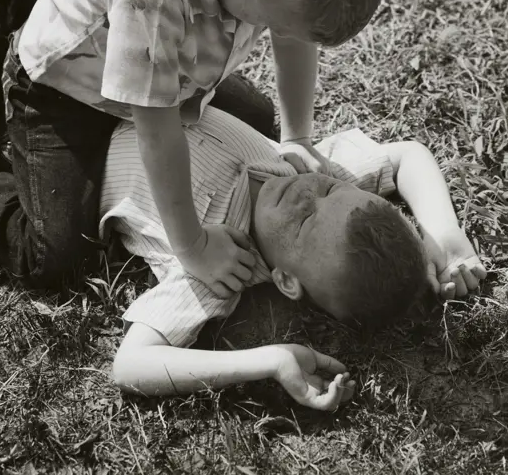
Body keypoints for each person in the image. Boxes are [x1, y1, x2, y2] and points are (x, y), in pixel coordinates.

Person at [0, 0, 390, 294]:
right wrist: (193, 246)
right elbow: (158, 134)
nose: (272, 31)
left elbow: (293, 37)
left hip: (165, 67)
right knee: (55, 257)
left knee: (258, 116)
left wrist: (299, 136)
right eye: (271, 24)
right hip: (62, 90)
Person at [104, 105, 487, 412]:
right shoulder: (318, 183)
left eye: (304, 221)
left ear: (286, 280)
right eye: (330, 186)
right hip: (170, 95)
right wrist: (443, 234)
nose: (305, 190)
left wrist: (271, 360)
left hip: (86, 137)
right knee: (254, 106)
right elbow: (407, 156)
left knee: (51, 249)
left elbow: (132, 365)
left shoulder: (216, 272)